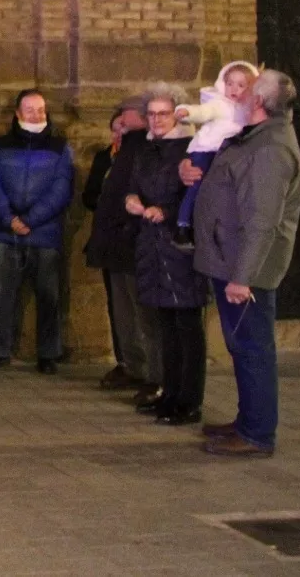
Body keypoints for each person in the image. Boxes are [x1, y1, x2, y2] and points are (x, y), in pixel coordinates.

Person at [193, 69, 300, 458]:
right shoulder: (255, 137)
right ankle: (248, 420)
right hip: (230, 259)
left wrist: (244, 277)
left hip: (243, 270)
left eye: (251, 87)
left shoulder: (270, 149)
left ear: (259, 101)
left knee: (253, 348)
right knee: (243, 347)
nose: (241, 91)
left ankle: (257, 434)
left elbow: (261, 219)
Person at [123, 84, 203, 426]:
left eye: (163, 114)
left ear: (177, 115)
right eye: (151, 114)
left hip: (178, 245)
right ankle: (169, 394)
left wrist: (166, 211)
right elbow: (137, 185)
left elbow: (196, 194)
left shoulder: (190, 148)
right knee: (165, 326)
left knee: (186, 326)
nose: (156, 120)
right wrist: (132, 200)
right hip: (151, 244)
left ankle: (189, 401)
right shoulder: (146, 149)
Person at [0, 88, 74, 374]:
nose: (36, 114)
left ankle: (48, 352)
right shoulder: (0, 145)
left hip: (44, 233)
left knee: (49, 296)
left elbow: (61, 188)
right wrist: (10, 219)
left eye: (41, 109)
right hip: (4, 232)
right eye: (30, 109)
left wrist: (31, 219)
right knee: (0, 294)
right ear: (18, 114)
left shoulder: (60, 147)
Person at [82, 98, 158, 393]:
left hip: (132, 242)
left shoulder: (144, 149)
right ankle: (131, 365)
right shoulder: (126, 150)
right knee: (123, 311)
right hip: (115, 243)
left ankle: (151, 372)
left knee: (142, 314)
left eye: (125, 118)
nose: (121, 124)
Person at [173, 61, 258, 248]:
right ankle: (183, 225)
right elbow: (203, 112)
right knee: (196, 185)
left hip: (228, 154)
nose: (234, 89)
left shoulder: (247, 110)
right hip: (207, 149)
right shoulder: (220, 104)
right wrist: (187, 112)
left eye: (241, 85)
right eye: (230, 84)